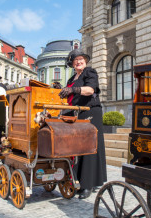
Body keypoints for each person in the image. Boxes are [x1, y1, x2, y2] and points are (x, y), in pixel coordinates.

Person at [59, 49, 107, 199]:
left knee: (89, 147)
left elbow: (90, 90)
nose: (79, 62)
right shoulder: (71, 78)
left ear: (85, 61)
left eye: (81, 59)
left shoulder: (89, 72)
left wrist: (74, 89)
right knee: (78, 148)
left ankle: (88, 184)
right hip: (76, 113)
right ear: (72, 63)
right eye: (76, 60)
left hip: (90, 111)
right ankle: (79, 180)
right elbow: (69, 99)